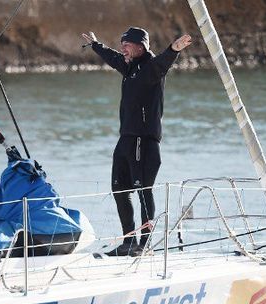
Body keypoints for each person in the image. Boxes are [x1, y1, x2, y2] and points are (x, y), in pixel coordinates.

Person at [82, 27, 192, 256]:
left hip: (145, 141)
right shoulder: (129, 65)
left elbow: (162, 62)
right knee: (118, 188)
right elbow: (113, 58)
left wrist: (173, 49)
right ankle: (128, 241)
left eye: (127, 44)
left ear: (141, 47)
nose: (123, 47)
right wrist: (95, 45)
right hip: (127, 139)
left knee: (143, 191)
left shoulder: (151, 68)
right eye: (122, 43)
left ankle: (144, 244)